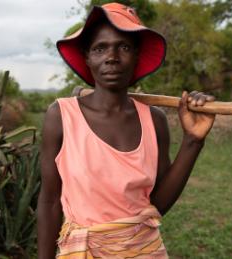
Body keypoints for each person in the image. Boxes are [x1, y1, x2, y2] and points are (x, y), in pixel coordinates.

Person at [37, 2, 216, 258]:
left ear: (137, 56)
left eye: (123, 47)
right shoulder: (61, 116)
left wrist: (193, 141)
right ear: (87, 57)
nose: (112, 57)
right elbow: (49, 201)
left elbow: (157, 205)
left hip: (144, 250)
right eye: (100, 48)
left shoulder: (154, 120)